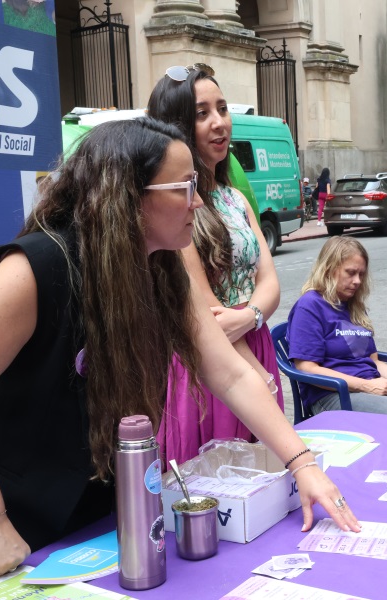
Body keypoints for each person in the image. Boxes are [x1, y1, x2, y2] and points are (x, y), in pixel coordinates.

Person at [0, 118, 359, 595]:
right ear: (129, 195)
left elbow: (228, 373)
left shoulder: (161, 265)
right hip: (0, 520)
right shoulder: (38, 265)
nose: (197, 201)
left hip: (87, 511)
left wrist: (302, 464)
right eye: (185, 186)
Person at [147, 64, 284, 464]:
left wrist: (251, 316)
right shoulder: (176, 206)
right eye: (202, 113)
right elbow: (206, 309)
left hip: (254, 342)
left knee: (260, 476)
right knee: (218, 478)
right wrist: (251, 362)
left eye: (222, 109)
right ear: (176, 126)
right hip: (211, 360)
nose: (219, 122)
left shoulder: (235, 198)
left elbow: (270, 280)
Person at [287, 237, 387, 419]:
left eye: (361, 274)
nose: (357, 281)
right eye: (351, 273)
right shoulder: (310, 306)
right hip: (333, 395)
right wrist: (367, 386)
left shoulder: (354, 306)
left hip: (371, 386)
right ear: (329, 269)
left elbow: (373, 361)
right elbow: (306, 367)